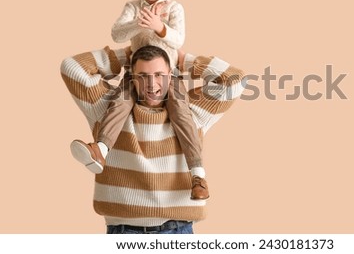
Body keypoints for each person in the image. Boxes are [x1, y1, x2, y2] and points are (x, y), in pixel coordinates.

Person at [60, 45, 246, 233]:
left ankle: (198, 176)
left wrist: (184, 60)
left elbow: (235, 80)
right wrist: (126, 54)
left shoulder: (193, 113)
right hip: (124, 232)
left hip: (177, 230)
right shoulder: (105, 109)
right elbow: (72, 67)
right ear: (132, 78)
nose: (151, 84)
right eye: (142, 76)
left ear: (171, 76)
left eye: (159, 74)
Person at [69, 0, 208, 200]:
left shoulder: (175, 8)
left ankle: (197, 174)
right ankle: (101, 149)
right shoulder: (132, 8)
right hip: (136, 73)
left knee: (181, 113)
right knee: (119, 104)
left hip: (168, 75)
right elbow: (117, 34)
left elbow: (178, 40)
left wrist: (159, 26)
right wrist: (140, 23)